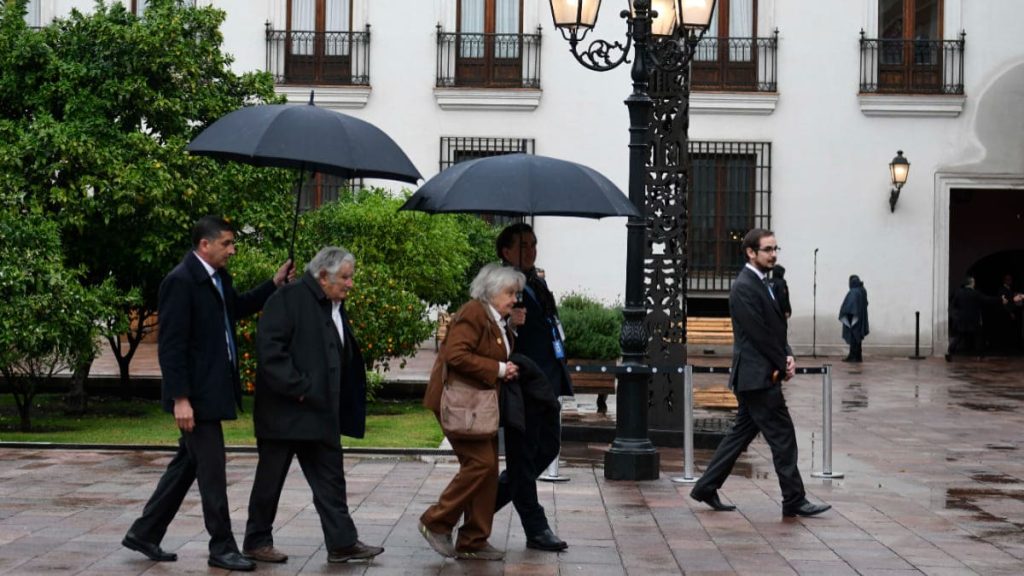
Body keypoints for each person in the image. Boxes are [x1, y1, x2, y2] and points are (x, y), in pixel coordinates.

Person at [122, 216, 292, 571]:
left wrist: (273, 284)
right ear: (205, 245)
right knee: (212, 470)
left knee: (187, 464)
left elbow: (237, 308)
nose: (232, 250)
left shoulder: (217, 279)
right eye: (227, 243)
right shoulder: (180, 282)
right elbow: (171, 347)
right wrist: (180, 399)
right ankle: (222, 547)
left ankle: (145, 531)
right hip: (195, 398)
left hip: (214, 390)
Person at [242, 247, 384, 564]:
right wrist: (301, 388)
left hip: (321, 412)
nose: (350, 284)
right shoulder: (287, 299)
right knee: (270, 480)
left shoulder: (333, 304)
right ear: (322, 276)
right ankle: (256, 541)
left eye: (351, 277)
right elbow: (270, 352)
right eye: (345, 278)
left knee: (331, 479)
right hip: (285, 412)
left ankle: (342, 542)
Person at [689, 229, 830, 518]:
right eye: (767, 249)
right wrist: (781, 362)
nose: (773, 254)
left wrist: (787, 355)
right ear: (751, 252)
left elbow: (776, 327)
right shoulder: (744, 286)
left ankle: (706, 486)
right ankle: (794, 499)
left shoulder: (764, 283)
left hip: (759, 374)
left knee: (739, 436)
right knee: (783, 437)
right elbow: (758, 334)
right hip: (757, 377)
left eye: (775, 248)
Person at [420, 263, 525, 561]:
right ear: (490, 291)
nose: (514, 298)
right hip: (460, 404)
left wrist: (512, 327)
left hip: (479, 406)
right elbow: (455, 354)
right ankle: (436, 521)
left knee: (488, 469)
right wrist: (499, 369)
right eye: (509, 292)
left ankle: (474, 540)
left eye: (516, 292)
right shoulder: (473, 312)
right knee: (480, 464)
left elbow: (489, 348)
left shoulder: (495, 317)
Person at [495, 223, 571, 552]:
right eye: (523, 245)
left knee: (547, 448)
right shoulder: (502, 285)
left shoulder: (536, 282)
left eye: (534, 243)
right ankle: (536, 527)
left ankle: (479, 506)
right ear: (506, 251)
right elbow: (490, 326)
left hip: (546, 380)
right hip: (521, 381)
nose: (531, 249)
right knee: (523, 457)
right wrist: (509, 323)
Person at [946, 276, 1003, 361]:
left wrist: (955, 315)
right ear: (972, 283)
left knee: (959, 337)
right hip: (973, 319)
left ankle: (950, 352)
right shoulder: (975, 293)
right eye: (974, 282)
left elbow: (953, 304)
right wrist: (1000, 299)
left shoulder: (958, 292)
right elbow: (987, 299)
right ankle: (980, 355)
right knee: (978, 337)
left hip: (961, 319)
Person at [839, 275, 869, 362]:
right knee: (858, 337)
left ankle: (853, 356)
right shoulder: (862, 290)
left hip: (853, 318)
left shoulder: (854, 292)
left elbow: (849, 305)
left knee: (854, 337)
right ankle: (858, 356)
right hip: (860, 318)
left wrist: (845, 313)